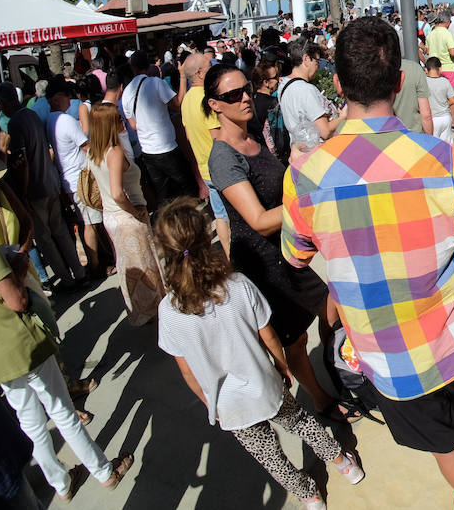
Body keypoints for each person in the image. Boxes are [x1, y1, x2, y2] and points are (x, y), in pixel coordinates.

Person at [282, 17, 454, 510]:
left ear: (336, 85)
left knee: (446, 445)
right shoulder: (443, 160)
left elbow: (296, 254)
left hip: (387, 357)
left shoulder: (305, 177)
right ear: (400, 83)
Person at [153, 199, 363, 510]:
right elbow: (269, 335)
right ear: (206, 240)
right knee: (301, 422)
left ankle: (310, 496)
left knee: (269, 456)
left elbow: (187, 371)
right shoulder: (237, 285)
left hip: (229, 406)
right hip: (265, 384)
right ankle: (343, 462)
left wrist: (209, 402)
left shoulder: (168, 312)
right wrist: (281, 368)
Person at [203, 65, 338, 418]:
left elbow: (274, 186)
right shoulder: (223, 157)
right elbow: (259, 221)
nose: (245, 97)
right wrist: (309, 202)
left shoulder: (252, 137)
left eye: (245, 89)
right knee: (293, 339)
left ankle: (335, 364)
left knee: (330, 307)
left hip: (286, 251)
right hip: (262, 264)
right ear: (215, 105)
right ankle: (321, 400)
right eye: (233, 95)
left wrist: (297, 164)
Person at [0, 244, 134, 500]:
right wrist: (17, 265)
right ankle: (105, 473)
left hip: (0, 359)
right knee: (61, 411)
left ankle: (62, 485)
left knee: (31, 423)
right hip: (23, 344)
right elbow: (16, 300)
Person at [0, 83, 84, 290]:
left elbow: (22, 161)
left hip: (35, 189)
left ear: (6, 103)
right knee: (60, 231)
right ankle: (79, 273)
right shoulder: (32, 114)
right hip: (50, 181)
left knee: (45, 238)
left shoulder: (16, 123)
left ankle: (67, 279)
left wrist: (24, 192)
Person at [83, 103, 164, 325]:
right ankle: (154, 312)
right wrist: (135, 211)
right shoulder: (115, 152)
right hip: (126, 216)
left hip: (111, 217)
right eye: (118, 118)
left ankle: (140, 311)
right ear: (109, 124)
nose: (122, 122)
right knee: (145, 266)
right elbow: (118, 192)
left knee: (130, 267)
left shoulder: (93, 151)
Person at [47, 78, 106, 276]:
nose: (70, 100)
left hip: (68, 180)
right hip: (80, 180)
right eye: (66, 96)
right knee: (90, 223)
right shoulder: (65, 120)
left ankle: (94, 262)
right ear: (56, 98)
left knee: (84, 223)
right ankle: (96, 266)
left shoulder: (51, 119)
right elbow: (86, 147)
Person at [122, 49, 195, 201]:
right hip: (166, 147)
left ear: (132, 67)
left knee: (163, 194)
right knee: (187, 188)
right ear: (148, 66)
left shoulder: (127, 92)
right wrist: (182, 75)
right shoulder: (156, 83)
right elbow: (177, 104)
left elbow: (133, 125)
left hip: (147, 151)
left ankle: (168, 222)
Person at [180, 52, 231, 256]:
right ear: (200, 73)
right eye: (210, 65)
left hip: (205, 168)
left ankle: (229, 255)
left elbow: (190, 138)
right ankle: (234, 254)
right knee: (231, 216)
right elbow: (218, 135)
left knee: (220, 216)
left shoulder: (186, 101)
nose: (213, 67)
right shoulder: (205, 100)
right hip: (222, 167)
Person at [394, 57, 433, 135]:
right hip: (415, 134)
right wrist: (430, 140)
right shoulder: (414, 68)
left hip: (388, 137)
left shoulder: (372, 68)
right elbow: (426, 115)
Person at [425, 57, 454, 146]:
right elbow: (453, 100)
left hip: (432, 119)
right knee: (448, 147)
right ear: (440, 68)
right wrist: (443, 104)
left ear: (426, 70)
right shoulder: (445, 81)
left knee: (434, 148)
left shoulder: (424, 82)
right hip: (446, 118)